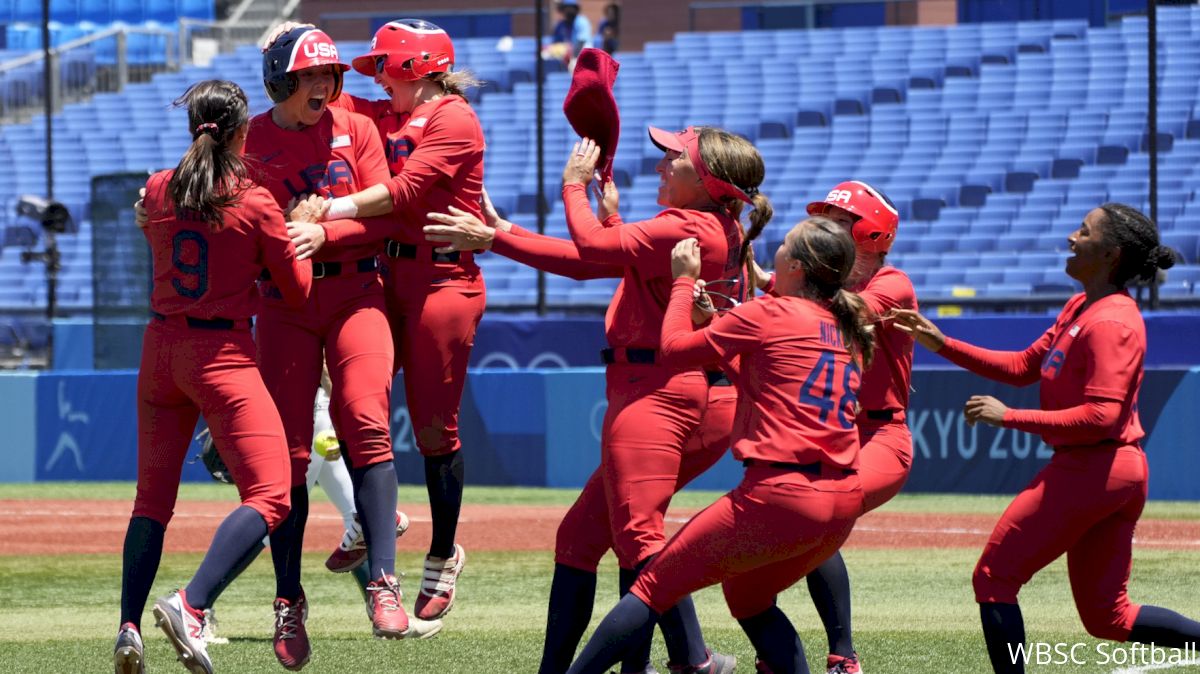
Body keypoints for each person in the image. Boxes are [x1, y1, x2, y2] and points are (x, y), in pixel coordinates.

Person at [427, 126, 769, 673]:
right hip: (674, 390)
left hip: (659, 394)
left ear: (704, 179)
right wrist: (500, 233)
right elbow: (606, 260)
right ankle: (666, 663)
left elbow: (589, 251)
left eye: (673, 159)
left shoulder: (689, 225)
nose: (660, 166)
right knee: (582, 540)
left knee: (639, 542)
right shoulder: (702, 224)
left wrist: (572, 186)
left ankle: (694, 662)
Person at [889, 203, 1200, 674]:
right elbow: (1021, 366)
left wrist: (1009, 417)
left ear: (1111, 254)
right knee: (1107, 618)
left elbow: (1101, 415)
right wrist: (941, 342)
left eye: (1084, 231)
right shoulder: (1082, 305)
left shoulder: (1111, 322)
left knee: (993, 578)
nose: (1072, 237)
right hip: (1104, 470)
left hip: (1094, 470)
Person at [567, 216, 875, 674]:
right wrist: (712, 319)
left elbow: (672, 347)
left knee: (652, 587)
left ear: (796, 266)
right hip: (843, 502)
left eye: (787, 244)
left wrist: (682, 281)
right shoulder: (843, 329)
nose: (778, 247)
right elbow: (760, 376)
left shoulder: (770, 312)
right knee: (749, 599)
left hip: (782, 494)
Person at [277, 18, 485, 623]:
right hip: (387, 275)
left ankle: (444, 553)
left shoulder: (453, 117)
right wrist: (300, 56)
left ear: (414, 68)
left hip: (442, 281)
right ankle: (373, 516)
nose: (374, 76)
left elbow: (408, 191)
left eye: (383, 67)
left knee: (432, 432)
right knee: (354, 406)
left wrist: (327, 210)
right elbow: (317, 94)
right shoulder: (388, 114)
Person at [113, 79, 312, 674]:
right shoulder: (255, 201)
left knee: (151, 501)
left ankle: (127, 628)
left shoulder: (157, 187)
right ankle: (190, 605)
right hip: (220, 354)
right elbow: (297, 294)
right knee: (273, 495)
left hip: (159, 350)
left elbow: (163, 225)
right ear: (243, 130)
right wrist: (295, 235)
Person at [252, 25, 411, 664]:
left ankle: (383, 579)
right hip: (283, 303)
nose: (325, 84)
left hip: (354, 292)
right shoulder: (251, 138)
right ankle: (288, 602)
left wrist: (325, 235)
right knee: (287, 456)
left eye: (330, 75)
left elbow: (386, 215)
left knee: (368, 421)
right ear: (282, 81)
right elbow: (238, 225)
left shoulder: (360, 129)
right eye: (311, 75)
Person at [784, 181, 913, 674]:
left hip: (882, 436)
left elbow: (853, 313)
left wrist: (783, 290)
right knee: (805, 523)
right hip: (833, 434)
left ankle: (842, 657)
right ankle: (805, 654)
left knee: (818, 516)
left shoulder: (893, 283)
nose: (824, 231)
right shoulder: (817, 287)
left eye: (838, 223)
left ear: (872, 233)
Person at [546, 0, 593, 65]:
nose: (569, 10)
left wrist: (573, 58)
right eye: (567, 8)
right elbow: (555, 43)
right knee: (545, 55)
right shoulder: (560, 25)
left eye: (571, 8)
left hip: (582, 53)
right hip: (566, 53)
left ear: (576, 9)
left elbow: (581, 42)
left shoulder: (582, 21)